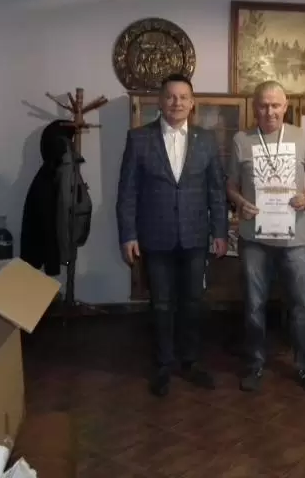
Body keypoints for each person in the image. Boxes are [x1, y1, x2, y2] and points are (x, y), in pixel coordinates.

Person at [116, 74, 228, 397]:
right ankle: (164, 364)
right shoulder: (139, 138)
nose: (177, 102)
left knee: (193, 302)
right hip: (155, 236)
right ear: (160, 101)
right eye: (170, 96)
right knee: (161, 304)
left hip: (195, 236)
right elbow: (127, 192)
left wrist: (220, 231)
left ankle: (190, 361)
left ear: (192, 104)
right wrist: (128, 235)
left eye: (183, 97)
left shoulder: (206, 140)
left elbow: (216, 190)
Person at [227, 81, 305, 394]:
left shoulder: (301, 136)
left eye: (275, 105)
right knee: (254, 305)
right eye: (263, 105)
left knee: (300, 306)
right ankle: (255, 365)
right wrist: (240, 202)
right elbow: (231, 184)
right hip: (254, 239)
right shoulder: (241, 140)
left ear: (285, 107)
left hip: (294, 239)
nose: (269, 111)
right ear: (255, 107)